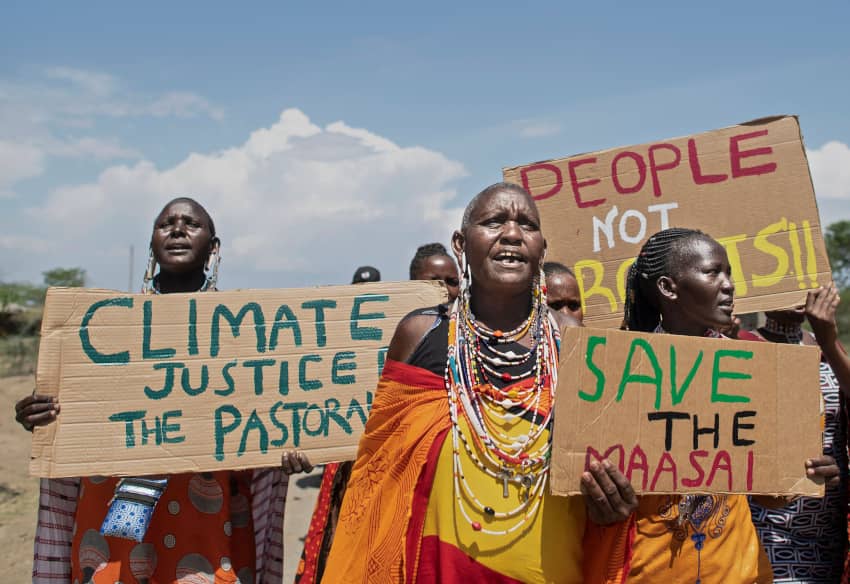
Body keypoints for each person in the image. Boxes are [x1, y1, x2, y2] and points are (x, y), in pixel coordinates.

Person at [321, 183, 636, 583]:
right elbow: (379, 480)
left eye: (527, 225)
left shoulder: (576, 345)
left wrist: (610, 505)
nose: (511, 234)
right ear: (460, 242)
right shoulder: (420, 334)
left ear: (542, 247)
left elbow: (603, 462)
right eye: (493, 222)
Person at [15, 197, 297, 584]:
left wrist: (295, 439)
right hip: (113, 523)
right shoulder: (101, 331)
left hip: (208, 520)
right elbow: (75, 407)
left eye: (191, 224)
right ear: (152, 245)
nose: (178, 229)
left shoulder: (244, 334)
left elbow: (266, 414)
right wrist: (42, 414)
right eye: (166, 223)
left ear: (214, 248)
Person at [621, 227, 839, 583]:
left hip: (741, 573)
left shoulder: (751, 369)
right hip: (651, 572)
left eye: (729, 274)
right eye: (712, 272)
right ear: (668, 287)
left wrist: (801, 475)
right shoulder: (625, 372)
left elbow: (767, 496)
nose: (729, 285)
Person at [296, 247, 461, 583]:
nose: (445, 289)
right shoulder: (391, 333)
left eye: (452, 281)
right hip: (361, 465)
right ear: (412, 283)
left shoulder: (469, 339)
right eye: (434, 281)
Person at [746, 284, 849, 583]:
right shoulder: (742, 346)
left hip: (831, 534)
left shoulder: (826, 347)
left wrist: (829, 340)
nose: (799, 291)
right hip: (769, 530)